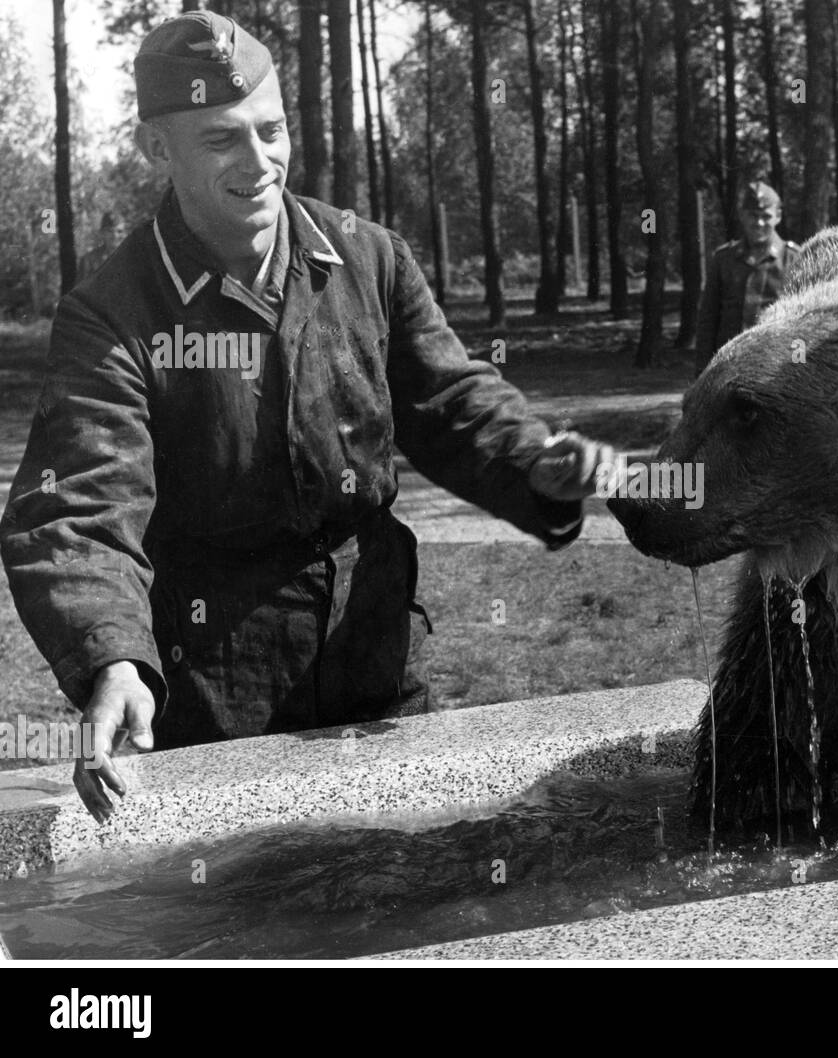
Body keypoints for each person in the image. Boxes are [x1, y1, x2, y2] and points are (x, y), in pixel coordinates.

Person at [0, 12, 614, 822]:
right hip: (217, 695)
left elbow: (450, 399)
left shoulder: (368, 257)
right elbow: (80, 504)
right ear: (159, 150)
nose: (260, 163)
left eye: (272, 130)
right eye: (221, 141)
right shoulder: (112, 315)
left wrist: (533, 457)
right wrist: (111, 659)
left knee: (413, 900)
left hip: (379, 661)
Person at [694, 181, 801, 376]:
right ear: (742, 215)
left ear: (778, 216)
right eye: (752, 215)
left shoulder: (795, 260)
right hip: (728, 370)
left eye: (766, 216)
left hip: (776, 373)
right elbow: (708, 320)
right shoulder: (723, 259)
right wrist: (702, 372)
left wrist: (799, 373)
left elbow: (803, 324)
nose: (759, 223)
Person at [77, 213, 126, 282]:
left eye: (119, 231)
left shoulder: (131, 259)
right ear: (102, 233)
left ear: (125, 234)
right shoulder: (88, 261)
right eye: (110, 231)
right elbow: (80, 291)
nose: (115, 236)